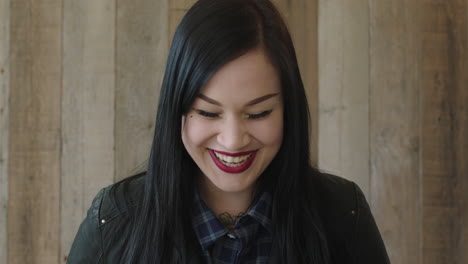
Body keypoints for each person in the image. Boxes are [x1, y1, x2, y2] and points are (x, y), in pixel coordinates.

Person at [67, 0, 390, 263]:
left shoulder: (343, 216)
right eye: (208, 112)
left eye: (258, 112)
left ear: (288, 108)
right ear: (176, 109)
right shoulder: (114, 223)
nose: (233, 140)